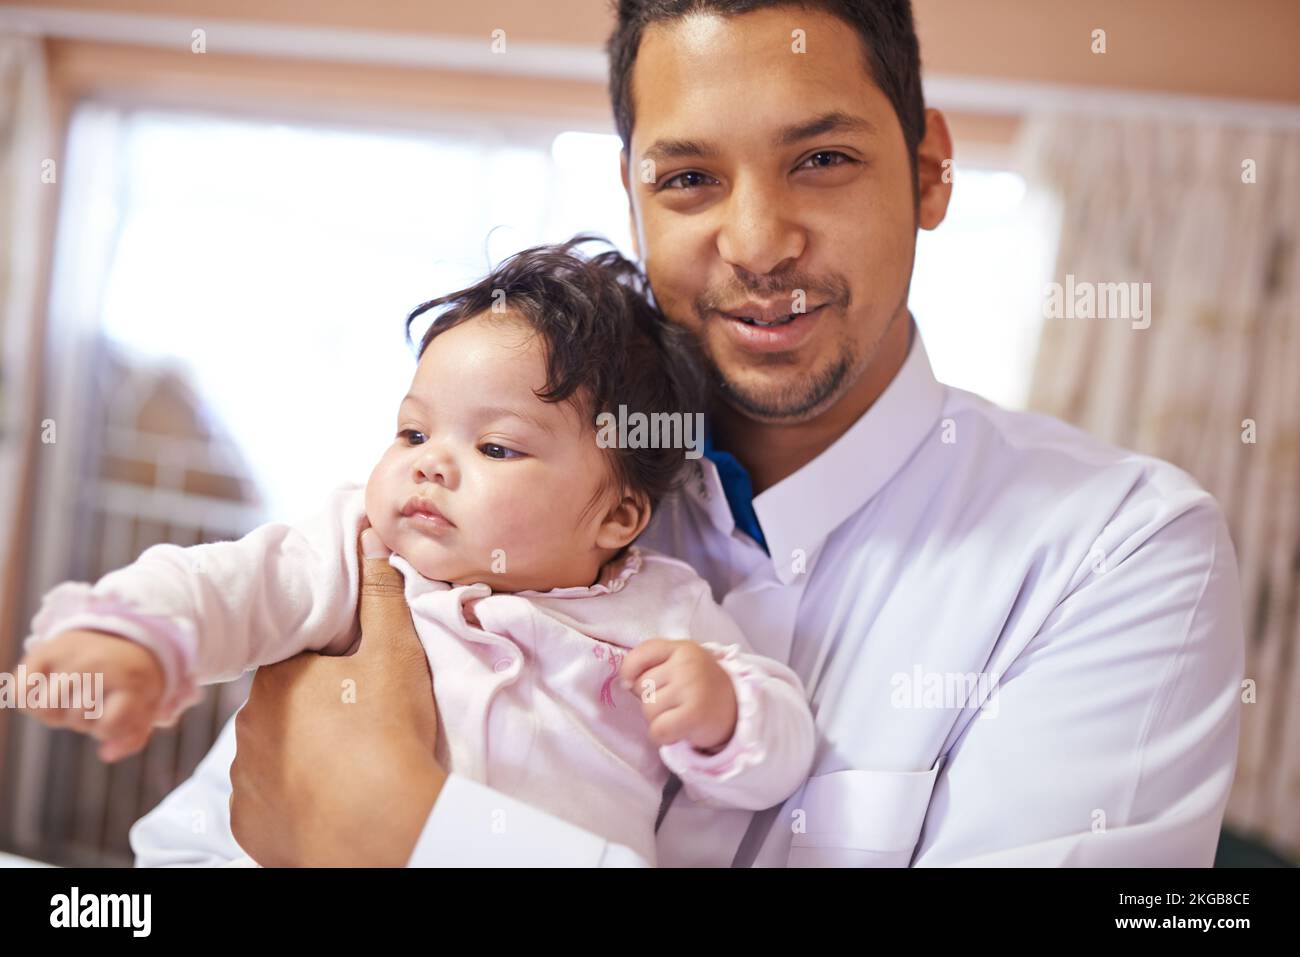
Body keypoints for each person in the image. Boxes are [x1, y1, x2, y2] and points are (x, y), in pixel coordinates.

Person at [135, 0, 1244, 867]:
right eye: (689, 178)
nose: (757, 243)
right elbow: (188, 850)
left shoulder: (1119, 556)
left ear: (931, 169)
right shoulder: (491, 493)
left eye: (822, 159)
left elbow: (340, 823)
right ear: (631, 195)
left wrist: (411, 838)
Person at [21, 241, 815, 867]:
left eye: (496, 447)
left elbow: (780, 745)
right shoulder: (360, 551)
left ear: (619, 514)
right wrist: (131, 635)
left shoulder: (663, 608)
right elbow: (232, 583)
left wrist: (722, 711)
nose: (431, 462)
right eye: (413, 431)